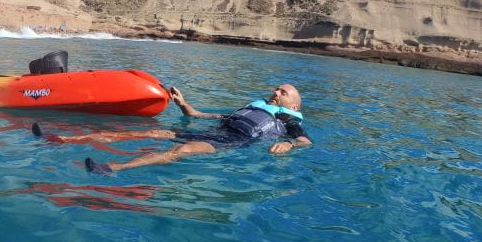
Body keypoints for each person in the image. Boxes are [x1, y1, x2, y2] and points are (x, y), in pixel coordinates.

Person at [32, 84, 312, 173]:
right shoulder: (253, 108)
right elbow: (198, 115)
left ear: (294, 105)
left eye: (283, 92)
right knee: (152, 132)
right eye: (276, 89)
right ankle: (64, 139)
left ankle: (112, 168)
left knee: (184, 150)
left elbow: (305, 142)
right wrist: (183, 103)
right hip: (215, 131)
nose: (276, 92)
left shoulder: (288, 120)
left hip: (232, 142)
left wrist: (289, 143)